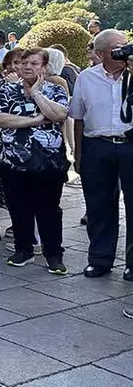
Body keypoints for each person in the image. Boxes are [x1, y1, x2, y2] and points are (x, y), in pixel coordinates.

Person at [0, 49, 70, 273]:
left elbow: (58, 115)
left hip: (49, 160)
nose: (27, 67)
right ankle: (23, 249)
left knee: (49, 209)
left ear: (44, 67)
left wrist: (36, 94)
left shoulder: (55, 89)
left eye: (34, 63)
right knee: (18, 206)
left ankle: (53, 254)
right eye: (24, 63)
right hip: (13, 160)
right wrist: (35, 119)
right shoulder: (6, 90)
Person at [70, 29, 133, 279]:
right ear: (102, 53)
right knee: (98, 205)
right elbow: (78, 118)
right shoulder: (86, 78)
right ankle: (100, 258)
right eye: (118, 49)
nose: (125, 52)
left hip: (130, 144)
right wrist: (79, 153)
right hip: (98, 144)